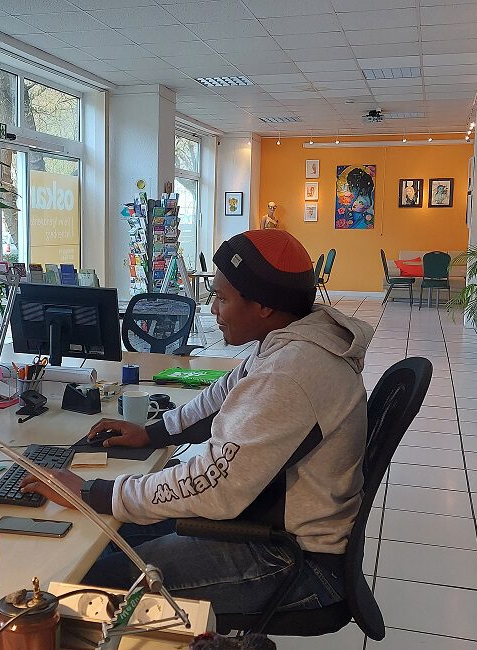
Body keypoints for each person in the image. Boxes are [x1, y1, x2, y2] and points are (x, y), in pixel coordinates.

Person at [21, 229, 373, 618]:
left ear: (263, 306)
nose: (212, 309)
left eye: (222, 298)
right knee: (113, 532)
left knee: (87, 583)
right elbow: (217, 399)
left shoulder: (291, 372)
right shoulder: (287, 343)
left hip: (294, 560)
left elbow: (214, 485)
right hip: (265, 522)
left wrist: (93, 492)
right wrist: (152, 433)